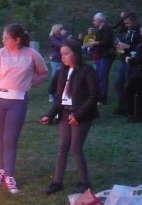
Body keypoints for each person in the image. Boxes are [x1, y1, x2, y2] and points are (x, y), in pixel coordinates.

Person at [0, 24, 48, 194]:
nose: (3, 40)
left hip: (18, 101)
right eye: (3, 37)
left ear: (17, 39)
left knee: (10, 138)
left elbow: (43, 73)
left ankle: (9, 175)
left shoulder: (32, 54)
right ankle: (2, 169)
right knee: (1, 137)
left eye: (6, 38)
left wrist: (30, 83)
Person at [40, 39, 100, 195]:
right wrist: (50, 115)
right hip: (65, 114)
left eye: (66, 54)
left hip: (82, 115)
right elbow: (59, 97)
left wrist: (79, 115)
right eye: (61, 54)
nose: (63, 57)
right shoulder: (62, 72)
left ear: (76, 53)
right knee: (62, 147)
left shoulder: (87, 70)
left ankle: (85, 182)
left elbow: (94, 96)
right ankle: (57, 182)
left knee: (75, 148)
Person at [113, 12, 141, 115]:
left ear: (133, 21)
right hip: (123, 61)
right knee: (117, 84)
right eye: (125, 23)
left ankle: (130, 107)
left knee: (129, 85)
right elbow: (121, 43)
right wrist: (119, 48)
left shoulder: (140, 33)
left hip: (133, 62)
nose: (126, 25)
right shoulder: (125, 31)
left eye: (128, 23)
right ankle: (122, 106)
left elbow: (141, 47)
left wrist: (129, 47)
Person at [90, 12, 116, 105]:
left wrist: (95, 43)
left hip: (107, 56)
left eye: (94, 19)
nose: (93, 21)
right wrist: (93, 45)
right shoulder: (100, 30)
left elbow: (107, 42)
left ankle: (102, 99)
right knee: (99, 76)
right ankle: (99, 95)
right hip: (100, 55)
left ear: (99, 20)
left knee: (102, 76)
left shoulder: (107, 29)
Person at [125, 24, 142, 123]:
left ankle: (137, 115)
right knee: (132, 92)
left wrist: (130, 60)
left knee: (136, 94)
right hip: (136, 71)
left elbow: (140, 59)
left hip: (140, 72)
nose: (140, 34)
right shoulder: (141, 43)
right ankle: (133, 114)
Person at [48, 24, 67, 102]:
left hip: (62, 59)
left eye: (62, 29)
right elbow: (62, 45)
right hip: (56, 60)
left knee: (62, 77)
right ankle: (51, 96)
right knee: (55, 77)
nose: (62, 30)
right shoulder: (52, 38)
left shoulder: (59, 37)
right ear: (56, 30)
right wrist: (63, 36)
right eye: (60, 29)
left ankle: (60, 94)